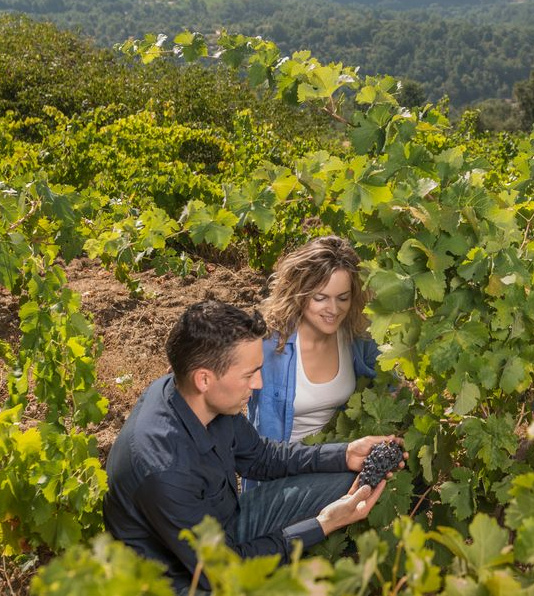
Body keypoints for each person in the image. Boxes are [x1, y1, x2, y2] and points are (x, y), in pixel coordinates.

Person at [104, 300, 402, 594]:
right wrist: (322, 524)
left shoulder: (197, 396)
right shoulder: (164, 468)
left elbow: (261, 457)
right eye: (249, 374)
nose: (258, 383)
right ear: (204, 379)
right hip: (186, 579)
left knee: (353, 481)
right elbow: (224, 571)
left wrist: (344, 454)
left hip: (224, 528)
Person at [248, 236, 379, 447]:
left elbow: (386, 383)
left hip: (340, 454)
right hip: (281, 462)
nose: (334, 310)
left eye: (343, 298)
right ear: (299, 293)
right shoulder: (267, 345)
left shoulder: (356, 336)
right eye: (320, 298)